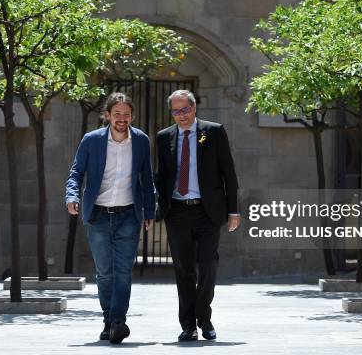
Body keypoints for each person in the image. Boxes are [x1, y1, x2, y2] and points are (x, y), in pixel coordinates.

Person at [65, 92, 155, 344]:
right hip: (99, 215)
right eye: (117, 114)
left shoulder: (140, 141)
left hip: (129, 214)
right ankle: (109, 320)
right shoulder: (91, 140)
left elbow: (147, 180)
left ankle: (118, 320)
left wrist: (150, 211)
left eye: (127, 114)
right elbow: (76, 173)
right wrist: (72, 196)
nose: (122, 119)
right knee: (104, 272)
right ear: (107, 116)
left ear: (132, 116)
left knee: (123, 270)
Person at [156, 89, 240, 341]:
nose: (181, 115)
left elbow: (229, 173)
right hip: (178, 210)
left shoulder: (213, 132)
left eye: (185, 110)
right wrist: (159, 205)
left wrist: (233, 209)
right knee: (183, 270)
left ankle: (204, 317)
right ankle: (188, 325)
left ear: (194, 108)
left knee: (207, 265)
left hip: (207, 210)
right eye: (176, 111)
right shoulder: (164, 137)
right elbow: (161, 176)